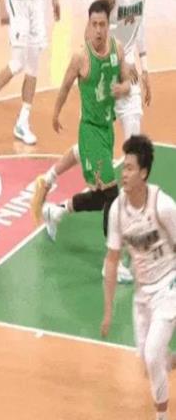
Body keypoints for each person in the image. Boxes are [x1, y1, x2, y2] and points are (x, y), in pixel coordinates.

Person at [32, 0, 151, 250]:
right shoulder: (83, 55)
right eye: (94, 24)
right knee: (112, 191)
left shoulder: (118, 47)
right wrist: (56, 112)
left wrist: (135, 74)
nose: (98, 28)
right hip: (92, 124)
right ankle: (115, 253)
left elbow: (138, 26)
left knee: (101, 194)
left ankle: (56, 208)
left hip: (107, 124)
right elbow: (65, 85)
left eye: (102, 24)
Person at [101, 135, 176, 420]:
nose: (124, 173)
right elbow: (112, 260)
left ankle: (162, 417)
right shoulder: (117, 210)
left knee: (153, 354)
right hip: (142, 293)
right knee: (149, 362)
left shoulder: (163, 206)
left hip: (169, 285)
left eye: (130, 168)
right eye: (124, 167)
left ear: (143, 173)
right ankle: (172, 360)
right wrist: (108, 311)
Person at [0, 0, 60, 145]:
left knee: (33, 66)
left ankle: (23, 122)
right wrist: (2, 5)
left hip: (36, 3)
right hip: (17, 3)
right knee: (18, 63)